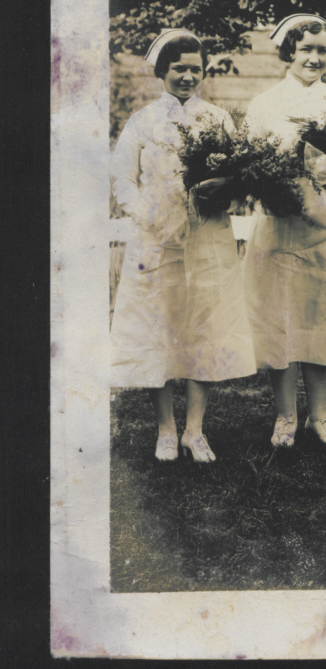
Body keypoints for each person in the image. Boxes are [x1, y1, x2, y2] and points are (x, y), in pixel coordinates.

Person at [111, 30, 256, 462]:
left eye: (195, 68)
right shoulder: (142, 121)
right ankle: (166, 430)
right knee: (161, 328)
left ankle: (195, 429)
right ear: (163, 71)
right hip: (156, 242)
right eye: (179, 68)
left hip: (207, 238)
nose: (188, 75)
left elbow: (239, 176)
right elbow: (122, 178)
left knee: (203, 328)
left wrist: (224, 192)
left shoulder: (217, 119)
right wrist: (146, 212)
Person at [244, 14, 326, 448]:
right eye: (306, 49)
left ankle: (320, 416)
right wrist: (277, 178)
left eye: (322, 50)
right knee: (282, 315)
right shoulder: (264, 104)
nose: (314, 57)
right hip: (281, 225)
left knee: (322, 317)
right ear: (288, 52)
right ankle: (285, 417)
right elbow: (251, 163)